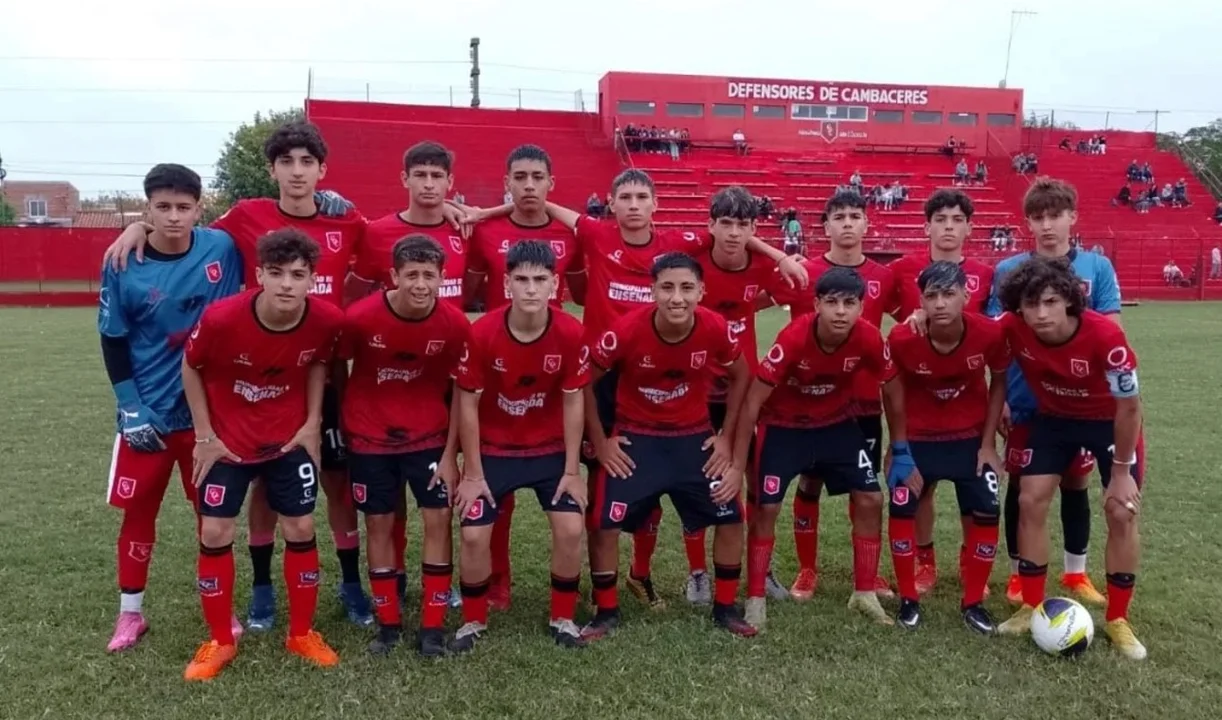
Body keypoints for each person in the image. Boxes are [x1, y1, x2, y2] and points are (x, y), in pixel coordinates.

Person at [102, 121, 374, 630]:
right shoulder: (246, 216)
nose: (297, 172)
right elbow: (183, 226)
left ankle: (352, 584)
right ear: (272, 169)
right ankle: (262, 591)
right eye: (287, 162)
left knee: (338, 485)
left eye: (307, 162)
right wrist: (139, 226)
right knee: (265, 485)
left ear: (322, 169)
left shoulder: (347, 217)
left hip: (326, 371)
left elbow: (391, 240)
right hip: (259, 378)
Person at [527, 169, 806, 610]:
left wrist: (779, 255)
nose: (634, 205)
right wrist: (485, 211)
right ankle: (624, 579)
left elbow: (736, 237)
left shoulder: (690, 248)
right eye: (626, 197)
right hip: (625, 378)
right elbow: (539, 200)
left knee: (719, 481)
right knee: (617, 483)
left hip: (699, 384)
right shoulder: (614, 237)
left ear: (655, 203)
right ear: (612, 202)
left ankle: (735, 573)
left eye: (642, 197)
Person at [180, 229, 345, 680]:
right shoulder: (221, 319)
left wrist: (312, 423)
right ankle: (220, 640)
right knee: (215, 530)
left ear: (313, 279)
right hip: (228, 442)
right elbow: (190, 367)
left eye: (298, 274)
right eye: (276, 273)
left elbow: (318, 362)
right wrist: (204, 435)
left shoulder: (326, 320)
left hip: (287, 439)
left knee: (301, 525)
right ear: (259, 276)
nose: (287, 284)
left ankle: (301, 633)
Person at [98, 164, 244, 653]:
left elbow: (281, 230)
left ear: (200, 209)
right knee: (139, 516)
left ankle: (222, 609)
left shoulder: (222, 248)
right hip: (150, 416)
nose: (174, 216)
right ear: (148, 209)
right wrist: (130, 408)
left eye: (184, 207)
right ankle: (130, 615)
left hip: (209, 420)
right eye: (162, 207)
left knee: (213, 517)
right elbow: (112, 338)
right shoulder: (122, 261)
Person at [583, 252, 756, 640]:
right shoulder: (626, 330)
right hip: (637, 438)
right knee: (604, 523)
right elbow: (583, 382)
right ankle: (606, 611)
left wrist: (725, 436)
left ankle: (725, 608)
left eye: (687, 288)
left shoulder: (714, 327)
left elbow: (742, 375)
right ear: (653, 291)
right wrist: (601, 443)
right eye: (667, 288)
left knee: (731, 516)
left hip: (692, 437)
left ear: (701, 291)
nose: (677, 298)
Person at [992, 256, 1146, 660]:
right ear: (1018, 307)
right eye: (1031, 304)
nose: (1041, 314)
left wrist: (1122, 472)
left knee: (1121, 510)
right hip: (1055, 419)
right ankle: (1031, 605)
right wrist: (921, 316)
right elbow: (972, 331)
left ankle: (1117, 618)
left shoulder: (1106, 337)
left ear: (1069, 301)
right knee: (1030, 499)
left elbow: (1130, 407)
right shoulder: (1011, 327)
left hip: (1109, 422)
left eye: (1050, 302)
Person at [459, 145, 587, 609]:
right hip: (495, 360)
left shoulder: (569, 232)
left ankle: (570, 597)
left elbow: (583, 292)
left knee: (561, 500)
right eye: (520, 177)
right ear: (507, 182)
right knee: (497, 499)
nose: (528, 185)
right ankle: (497, 583)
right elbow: (469, 292)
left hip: (548, 365)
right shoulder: (484, 229)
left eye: (537, 177)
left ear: (551, 182)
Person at [986, 177, 1122, 608]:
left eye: (1055, 215)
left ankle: (1075, 571)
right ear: (1027, 222)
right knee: (1024, 483)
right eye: (1038, 217)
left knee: (1076, 480)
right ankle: (1017, 572)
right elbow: (998, 335)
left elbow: (1111, 327)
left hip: (1083, 397)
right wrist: (1003, 399)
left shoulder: (1097, 267)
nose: (1047, 225)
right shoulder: (1009, 271)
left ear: (1072, 217)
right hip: (1028, 397)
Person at [451, 240, 590, 651]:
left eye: (540, 280)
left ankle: (563, 618)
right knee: (473, 535)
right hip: (494, 451)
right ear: (506, 284)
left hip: (548, 451)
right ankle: (472, 622)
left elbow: (573, 401)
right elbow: (467, 404)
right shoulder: (481, 332)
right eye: (522, 279)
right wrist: (472, 473)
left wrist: (571, 471)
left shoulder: (571, 332)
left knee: (571, 528)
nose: (531, 288)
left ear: (555, 285)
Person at [735, 267, 891, 629]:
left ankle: (864, 592)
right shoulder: (794, 337)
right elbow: (753, 400)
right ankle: (756, 596)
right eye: (832, 302)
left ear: (861, 307)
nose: (840, 311)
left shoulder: (868, 336)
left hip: (836, 423)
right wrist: (738, 460)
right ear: (817, 304)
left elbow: (893, 386)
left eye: (849, 303)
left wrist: (899, 445)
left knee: (871, 498)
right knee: (767, 506)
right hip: (784, 426)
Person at [339, 235, 470, 657]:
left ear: (442, 278)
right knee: (379, 524)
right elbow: (336, 368)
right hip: (369, 438)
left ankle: (432, 627)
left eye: (429, 275)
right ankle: (388, 624)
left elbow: (462, 390)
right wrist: (341, 422)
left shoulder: (455, 325)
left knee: (439, 519)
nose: (420, 284)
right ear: (393, 276)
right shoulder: (360, 318)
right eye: (411, 274)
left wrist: (451, 453)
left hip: (429, 438)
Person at [769, 190, 901, 600]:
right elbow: (753, 298)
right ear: (825, 226)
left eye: (854, 216)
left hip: (863, 403)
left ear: (866, 224)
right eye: (838, 216)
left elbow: (910, 314)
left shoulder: (884, 277)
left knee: (865, 487)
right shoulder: (803, 271)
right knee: (809, 483)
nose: (847, 223)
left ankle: (869, 574)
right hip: (809, 402)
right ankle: (807, 569)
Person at [885, 261, 1008, 633]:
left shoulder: (988, 333)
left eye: (949, 294)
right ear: (921, 301)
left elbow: (999, 383)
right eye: (932, 296)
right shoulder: (902, 338)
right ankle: (909, 599)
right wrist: (899, 448)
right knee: (902, 506)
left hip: (969, 440)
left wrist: (988, 445)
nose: (940, 303)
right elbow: (892, 395)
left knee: (987, 509)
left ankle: (973, 603)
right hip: (919, 439)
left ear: (966, 296)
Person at [888, 189, 995, 593]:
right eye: (940, 219)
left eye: (957, 219)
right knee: (922, 486)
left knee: (973, 489)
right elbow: (876, 309)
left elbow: (994, 332)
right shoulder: (903, 268)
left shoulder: (986, 273)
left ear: (969, 227)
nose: (948, 227)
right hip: (920, 401)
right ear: (927, 226)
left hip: (969, 402)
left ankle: (970, 561)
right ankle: (925, 561)